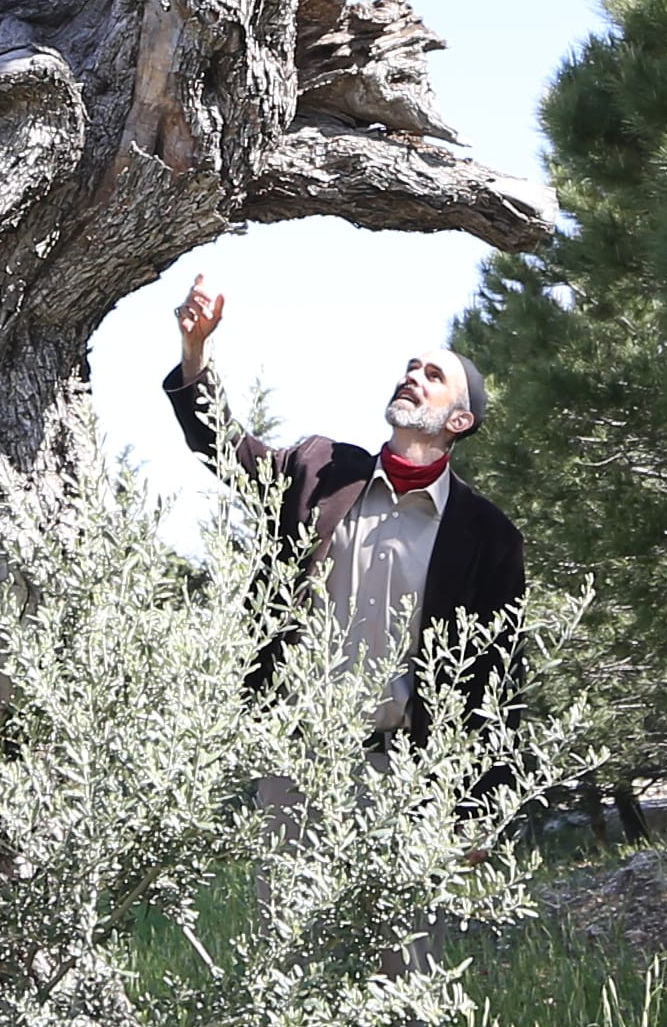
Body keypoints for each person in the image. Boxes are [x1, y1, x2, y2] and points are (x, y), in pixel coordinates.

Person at [165, 278, 530, 739]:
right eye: (411, 368)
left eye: (433, 376)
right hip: (289, 754)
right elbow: (222, 447)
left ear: (459, 420)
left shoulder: (487, 536)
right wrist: (195, 352)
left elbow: (498, 675)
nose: (412, 377)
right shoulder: (319, 468)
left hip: (405, 776)